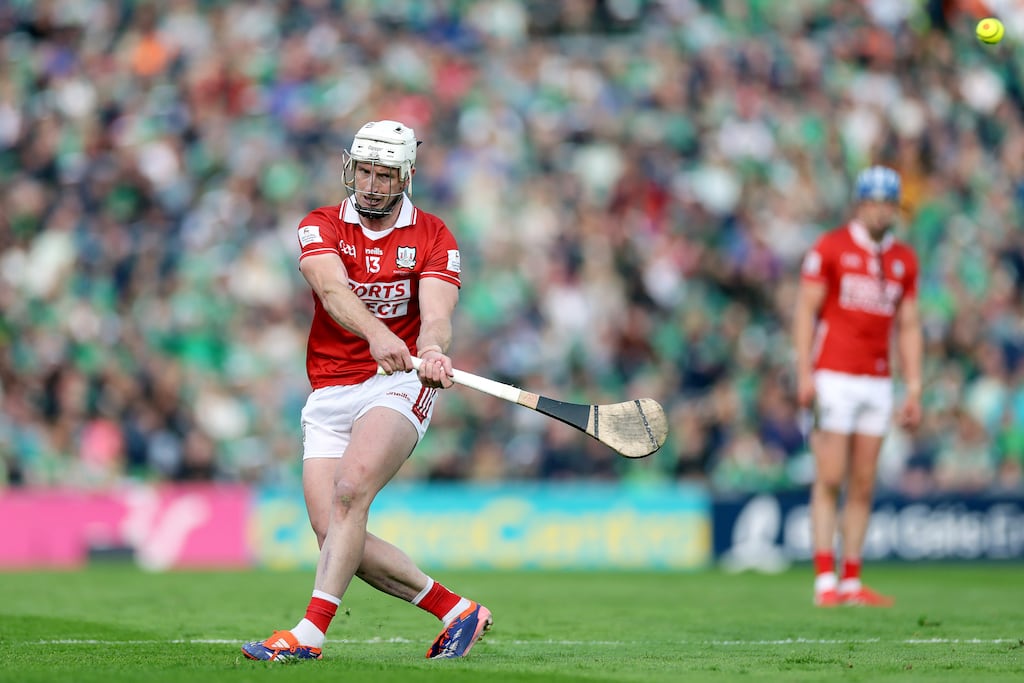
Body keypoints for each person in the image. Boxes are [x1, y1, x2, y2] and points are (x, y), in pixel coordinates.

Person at [242, 120, 491, 661]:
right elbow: (332, 290)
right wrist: (378, 333)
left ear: (406, 177)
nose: (373, 184)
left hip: (398, 384)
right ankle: (457, 610)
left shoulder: (434, 236)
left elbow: (438, 315)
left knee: (351, 492)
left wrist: (431, 350)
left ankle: (308, 636)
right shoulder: (320, 224)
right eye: (365, 171)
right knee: (332, 529)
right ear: (350, 168)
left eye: (384, 175)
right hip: (331, 386)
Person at [793, 165, 923, 607]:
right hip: (834, 375)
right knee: (829, 476)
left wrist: (915, 385)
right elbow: (804, 311)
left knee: (864, 482)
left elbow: (908, 324)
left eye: (890, 202)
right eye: (876, 201)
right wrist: (805, 373)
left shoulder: (904, 258)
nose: (883, 210)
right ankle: (824, 579)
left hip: (878, 379)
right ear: (860, 202)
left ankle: (851, 580)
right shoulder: (830, 247)